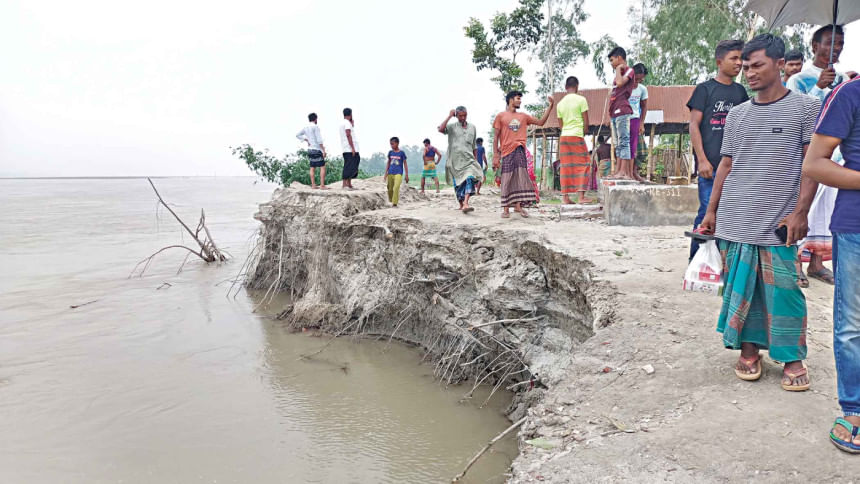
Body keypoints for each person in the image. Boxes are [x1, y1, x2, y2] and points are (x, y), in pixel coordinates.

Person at [700, 34, 820, 393]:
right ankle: (749, 349)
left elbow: (812, 166)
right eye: (745, 67)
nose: (749, 73)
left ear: (780, 64)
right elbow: (726, 165)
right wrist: (711, 212)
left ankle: (792, 357)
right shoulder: (737, 114)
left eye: (757, 66)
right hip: (735, 217)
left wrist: (801, 213)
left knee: (785, 291)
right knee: (743, 290)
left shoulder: (806, 108)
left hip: (779, 221)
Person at [801, 75, 860, 454]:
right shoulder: (850, 94)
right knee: (853, 324)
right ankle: (854, 409)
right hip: (856, 227)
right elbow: (814, 164)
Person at [787, 25, 847, 287]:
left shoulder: (844, 80)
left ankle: (817, 263)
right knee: (803, 207)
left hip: (836, 157)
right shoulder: (798, 80)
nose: (836, 48)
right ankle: (795, 263)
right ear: (814, 46)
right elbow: (794, 115)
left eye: (840, 43)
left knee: (825, 212)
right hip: (807, 154)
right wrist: (819, 87)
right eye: (830, 42)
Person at [687, 39, 749, 260]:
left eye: (741, 58)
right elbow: (693, 125)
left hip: (733, 167)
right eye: (734, 58)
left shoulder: (741, 92)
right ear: (719, 61)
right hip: (710, 167)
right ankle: (696, 262)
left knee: (729, 215)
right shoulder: (704, 90)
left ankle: (721, 262)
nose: (739, 63)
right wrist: (702, 160)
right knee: (707, 212)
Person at [493, 91, 556, 218]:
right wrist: (495, 155)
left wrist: (551, 106)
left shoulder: (523, 116)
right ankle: (506, 208)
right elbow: (495, 137)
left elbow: (541, 122)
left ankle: (518, 207)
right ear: (510, 100)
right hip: (506, 151)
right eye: (518, 98)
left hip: (520, 150)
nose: (520, 101)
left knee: (520, 178)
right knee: (507, 178)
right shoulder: (500, 116)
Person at [438, 106, 484, 213]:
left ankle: (466, 203)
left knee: (469, 178)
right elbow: (441, 129)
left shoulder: (472, 127)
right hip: (455, 161)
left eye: (465, 115)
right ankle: (461, 204)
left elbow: (474, 146)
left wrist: (476, 161)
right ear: (456, 116)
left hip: (468, 160)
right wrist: (449, 116)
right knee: (458, 184)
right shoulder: (452, 127)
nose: (463, 118)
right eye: (460, 116)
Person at [555, 76, 592, 204]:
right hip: (576, 135)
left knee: (565, 166)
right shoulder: (581, 100)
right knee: (584, 164)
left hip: (564, 136)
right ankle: (581, 197)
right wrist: (584, 132)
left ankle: (565, 198)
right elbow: (586, 121)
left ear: (566, 87)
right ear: (577, 86)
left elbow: (561, 125)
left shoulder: (560, 104)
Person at [607, 47, 636, 180]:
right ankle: (618, 170)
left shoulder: (629, 71)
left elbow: (619, 83)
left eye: (612, 60)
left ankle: (623, 172)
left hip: (622, 110)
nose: (611, 63)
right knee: (618, 143)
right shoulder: (620, 73)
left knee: (624, 141)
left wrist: (618, 69)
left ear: (619, 58)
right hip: (615, 112)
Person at [296, 112, 328, 190]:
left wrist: (306, 139)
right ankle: (322, 185)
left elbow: (297, 135)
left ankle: (313, 185)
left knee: (312, 167)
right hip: (317, 149)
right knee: (322, 167)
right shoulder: (315, 127)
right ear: (315, 119)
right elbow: (319, 140)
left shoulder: (305, 127)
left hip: (310, 149)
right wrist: (323, 150)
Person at [629, 63, 649, 182]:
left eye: (641, 79)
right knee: (626, 148)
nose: (638, 81)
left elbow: (644, 106)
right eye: (636, 79)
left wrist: (642, 123)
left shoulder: (642, 89)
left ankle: (634, 172)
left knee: (641, 150)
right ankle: (628, 172)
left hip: (636, 119)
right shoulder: (625, 86)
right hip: (624, 119)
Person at [340, 108, 360, 190]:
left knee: (352, 165)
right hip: (349, 148)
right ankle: (345, 184)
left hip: (346, 148)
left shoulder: (345, 123)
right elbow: (348, 135)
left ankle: (349, 183)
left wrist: (352, 124)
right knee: (348, 166)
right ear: (350, 114)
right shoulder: (347, 123)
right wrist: (352, 148)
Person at [384, 137, 408, 207]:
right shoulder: (390, 152)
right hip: (390, 172)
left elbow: (405, 164)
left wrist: (406, 175)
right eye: (390, 144)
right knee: (390, 188)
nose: (391, 145)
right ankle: (391, 200)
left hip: (398, 173)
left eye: (393, 144)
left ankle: (394, 203)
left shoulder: (402, 153)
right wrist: (385, 173)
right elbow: (388, 162)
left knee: (396, 187)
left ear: (397, 143)